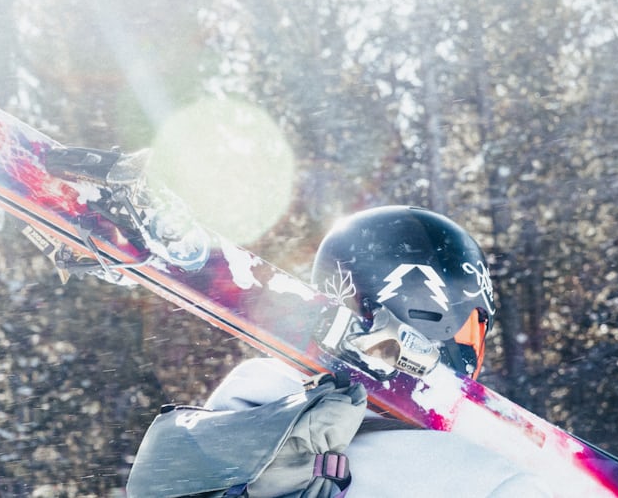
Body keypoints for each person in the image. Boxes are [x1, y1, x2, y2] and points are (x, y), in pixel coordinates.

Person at [203, 206, 552, 498]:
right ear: (432, 316)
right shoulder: (489, 482)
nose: (475, 348)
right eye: (473, 326)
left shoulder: (231, 422)